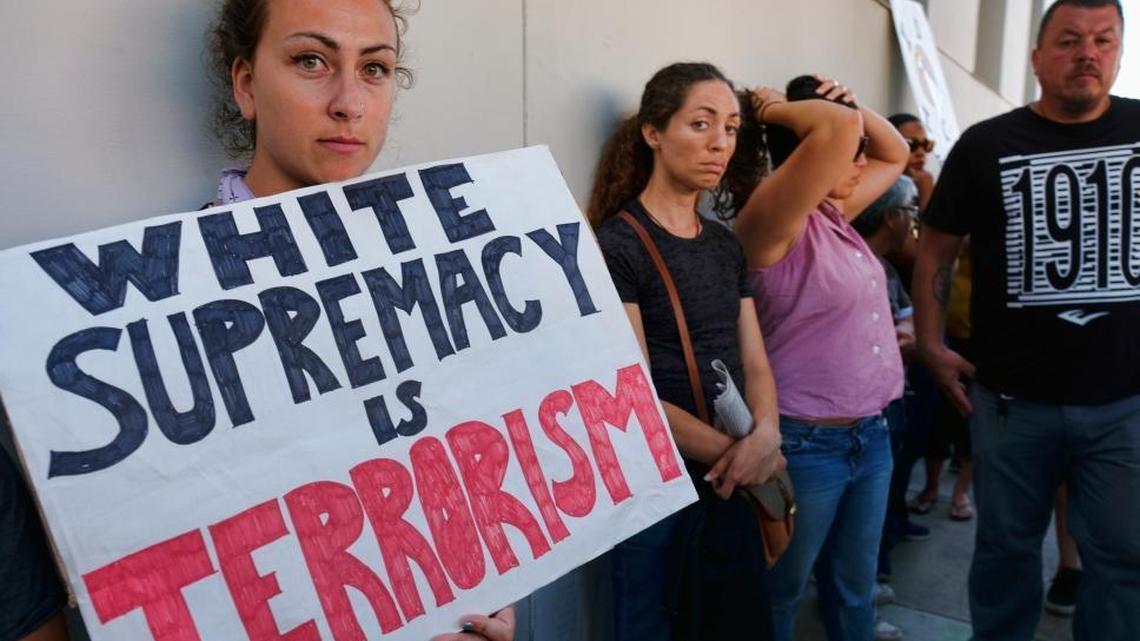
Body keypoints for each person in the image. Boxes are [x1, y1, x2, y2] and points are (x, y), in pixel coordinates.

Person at [207, 1, 514, 639]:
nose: (349, 102)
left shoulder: (439, 277)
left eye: (374, 69)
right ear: (246, 85)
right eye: (310, 61)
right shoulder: (166, 310)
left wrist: (491, 579)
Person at [911, 1, 1138, 639]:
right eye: (1068, 40)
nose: (1087, 53)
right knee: (1006, 554)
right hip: (1011, 402)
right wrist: (929, 340)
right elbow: (936, 244)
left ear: (1118, 53)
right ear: (1037, 58)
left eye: (1103, 40)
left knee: (1124, 561)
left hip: (1125, 402)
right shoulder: (987, 144)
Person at [589, 61, 782, 641]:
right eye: (700, 124)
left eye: (730, 127)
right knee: (650, 623)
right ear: (654, 132)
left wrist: (768, 434)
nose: (720, 142)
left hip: (734, 478)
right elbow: (634, 390)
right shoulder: (617, 244)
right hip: (657, 489)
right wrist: (741, 457)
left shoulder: (724, 245)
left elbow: (754, 360)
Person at [734, 75, 909, 641]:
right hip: (806, 446)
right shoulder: (773, 222)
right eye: (849, 152)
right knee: (781, 591)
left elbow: (896, 151)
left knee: (855, 587)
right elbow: (838, 134)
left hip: (870, 435)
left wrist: (851, 99)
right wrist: (776, 108)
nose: (863, 162)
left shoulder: (834, 214)